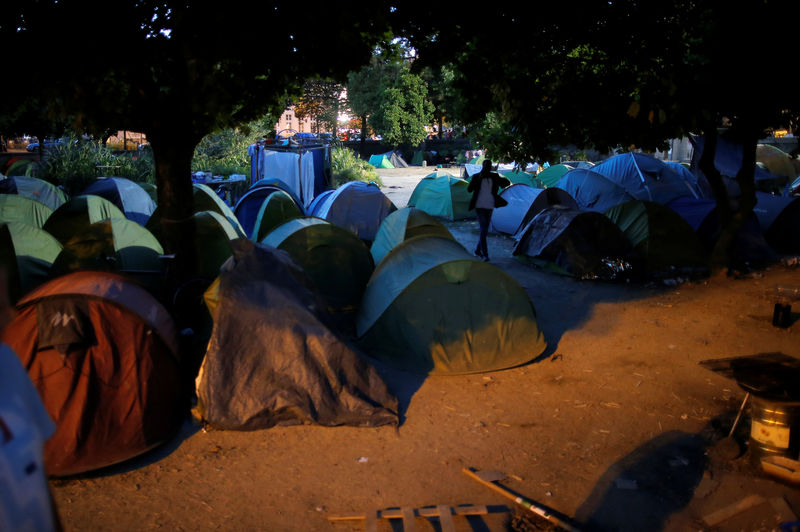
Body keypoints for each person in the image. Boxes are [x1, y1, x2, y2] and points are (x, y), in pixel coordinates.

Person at [467, 159, 509, 261]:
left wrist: (498, 177)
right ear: (482, 166)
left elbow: (506, 183)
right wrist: (477, 180)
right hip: (479, 206)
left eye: (489, 166)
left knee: (484, 230)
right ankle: (485, 254)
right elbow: (469, 189)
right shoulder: (476, 176)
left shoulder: (494, 176)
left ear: (490, 167)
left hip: (490, 206)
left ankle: (477, 250)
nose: (487, 168)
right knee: (484, 229)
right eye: (485, 166)